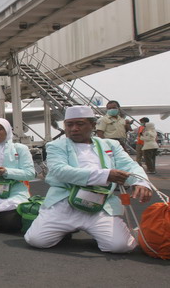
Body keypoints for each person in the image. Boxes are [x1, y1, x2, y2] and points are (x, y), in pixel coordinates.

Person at [24, 106, 152, 253]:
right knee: (36, 240)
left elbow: (129, 165)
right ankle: (63, 229)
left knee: (120, 246)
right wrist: (106, 175)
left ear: (92, 125)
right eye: (69, 125)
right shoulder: (55, 146)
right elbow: (60, 171)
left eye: (80, 124)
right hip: (64, 204)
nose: (74, 129)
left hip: (99, 205)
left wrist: (140, 182)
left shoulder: (110, 145)